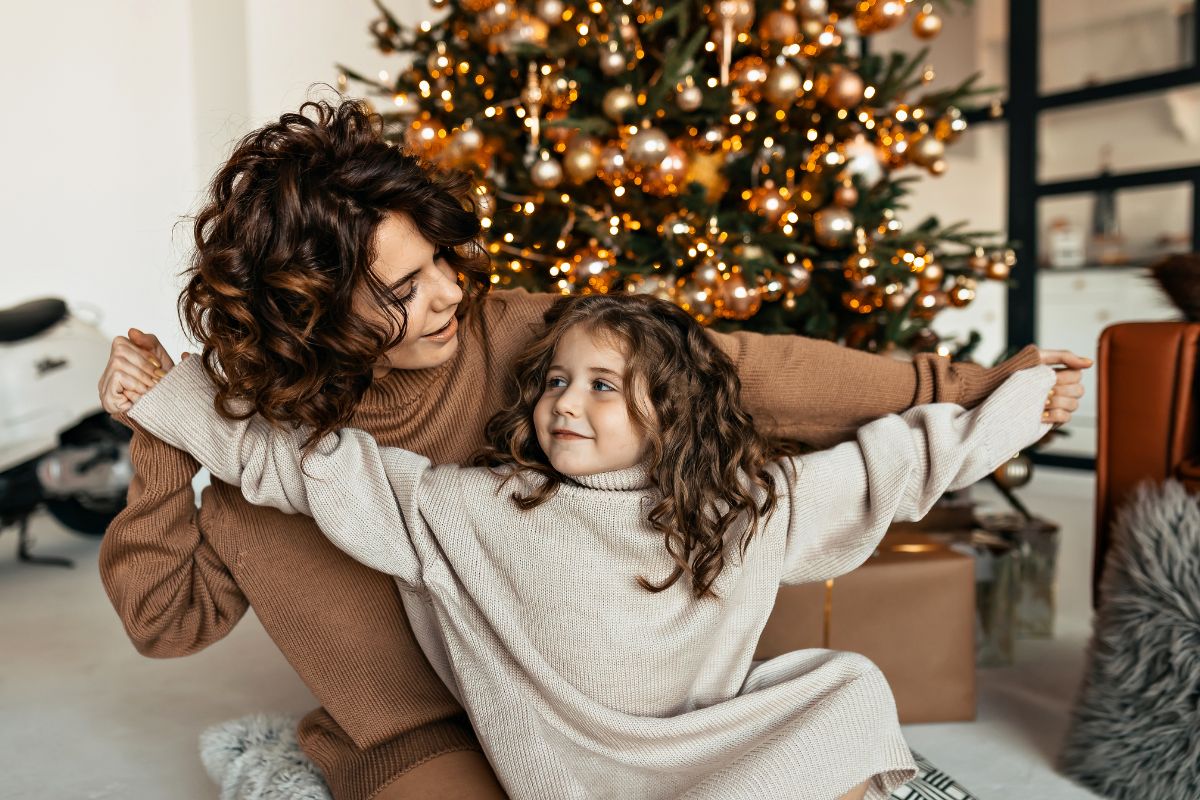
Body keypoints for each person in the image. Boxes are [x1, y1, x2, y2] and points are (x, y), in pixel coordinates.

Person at [97, 99, 1090, 799]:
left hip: (591, 712)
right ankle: (334, 759)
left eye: (443, 255)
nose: (446, 292)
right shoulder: (261, 451)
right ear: (312, 310)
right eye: (401, 288)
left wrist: (971, 387)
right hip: (431, 732)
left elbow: (736, 370)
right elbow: (166, 624)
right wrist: (162, 439)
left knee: (817, 716)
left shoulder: (522, 339)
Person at [122, 293, 1062, 800]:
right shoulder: (476, 509)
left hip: (706, 756)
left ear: (673, 411)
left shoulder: (742, 506)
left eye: (606, 387)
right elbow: (309, 465)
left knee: (848, 687)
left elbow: (893, 467)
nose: (567, 403)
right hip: (571, 775)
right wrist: (168, 400)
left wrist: (1016, 404)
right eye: (557, 382)